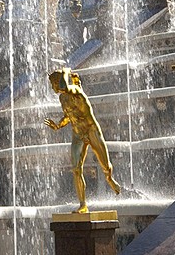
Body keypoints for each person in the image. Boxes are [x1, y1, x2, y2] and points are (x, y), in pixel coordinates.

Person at [44, 68, 121, 213]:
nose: (53, 87)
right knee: (76, 169)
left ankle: (110, 179)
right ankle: (83, 204)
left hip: (91, 130)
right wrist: (58, 125)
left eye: (53, 83)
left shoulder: (77, 91)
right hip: (77, 133)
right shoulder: (62, 98)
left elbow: (65, 87)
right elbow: (69, 115)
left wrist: (65, 70)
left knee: (105, 165)